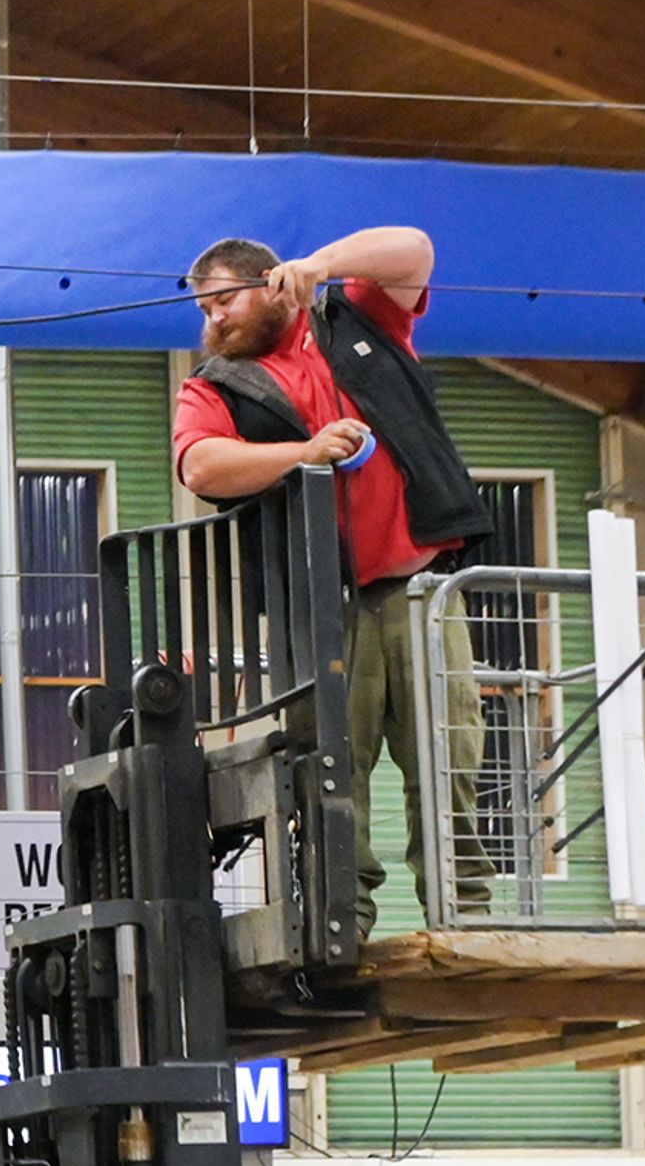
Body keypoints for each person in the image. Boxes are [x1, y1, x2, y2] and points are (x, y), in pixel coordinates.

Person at [171, 225, 493, 910]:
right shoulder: (214, 386)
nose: (213, 319)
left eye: (222, 301)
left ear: (270, 285)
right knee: (330, 769)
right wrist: (306, 452)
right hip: (321, 602)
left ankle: (463, 915)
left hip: (420, 587)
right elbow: (200, 464)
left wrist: (320, 264)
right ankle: (343, 926)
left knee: (449, 752)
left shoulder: (358, 316)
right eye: (203, 310)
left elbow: (415, 248)